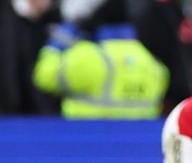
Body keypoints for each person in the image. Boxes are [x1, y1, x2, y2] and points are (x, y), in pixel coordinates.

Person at [32, 22, 169, 119]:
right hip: (136, 149)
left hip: (85, 143)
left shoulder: (88, 57)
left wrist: (53, 48)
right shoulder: (154, 64)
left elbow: (43, 76)